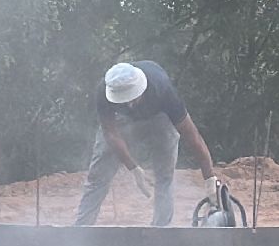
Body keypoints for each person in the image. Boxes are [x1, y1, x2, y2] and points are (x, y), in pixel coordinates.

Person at [74, 60, 222, 228]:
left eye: (132, 98)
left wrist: (209, 177)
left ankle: (160, 230)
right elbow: (111, 133)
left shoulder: (162, 89)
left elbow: (192, 136)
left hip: (160, 117)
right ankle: (81, 230)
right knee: (98, 176)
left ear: (141, 88)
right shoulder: (104, 90)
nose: (129, 104)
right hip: (122, 121)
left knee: (164, 176)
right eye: (123, 100)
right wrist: (133, 168)